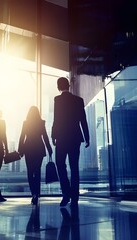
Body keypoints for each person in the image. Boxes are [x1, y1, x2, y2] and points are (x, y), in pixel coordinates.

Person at [51, 77, 90, 208]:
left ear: (58, 87)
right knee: (74, 167)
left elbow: (56, 119)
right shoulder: (79, 100)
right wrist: (87, 137)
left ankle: (66, 193)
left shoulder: (57, 99)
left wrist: (53, 135)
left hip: (62, 138)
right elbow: (83, 120)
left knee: (60, 165)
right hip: (75, 138)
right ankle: (75, 197)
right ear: (69, 85)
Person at [18, 106, 53, 205]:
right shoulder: (41, 123)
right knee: (37, 171)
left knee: (30, 172)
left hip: (28, 148)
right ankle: (36, 194)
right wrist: (49, 149)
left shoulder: (26, 123)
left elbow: (22, 136)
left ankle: (33, 193)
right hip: (39, 148)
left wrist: (20, 149)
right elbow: (45, 136)